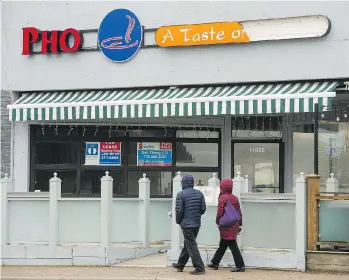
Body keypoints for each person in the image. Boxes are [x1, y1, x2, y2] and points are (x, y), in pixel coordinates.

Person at [207, 179, 245, 272]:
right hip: (234, 225)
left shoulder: (222, 198)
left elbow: (220, 212)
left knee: (232, 245)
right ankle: (214, 262)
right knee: (223, 244)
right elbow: (239, 213)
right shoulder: (235, 198)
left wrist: (217, 221)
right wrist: (239, 224)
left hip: (226, 225)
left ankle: (240, 266)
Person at [172, 175, 206, 275]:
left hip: (186, 224)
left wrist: (178, 221)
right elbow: (203, 209)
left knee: (191, 245)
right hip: (196, 223)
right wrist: (195, 215)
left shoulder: (181, 194)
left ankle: (199, 267)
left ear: (183, 183)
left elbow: (179, 211)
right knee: (188, 244)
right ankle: (180, 265)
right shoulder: (199, 194)